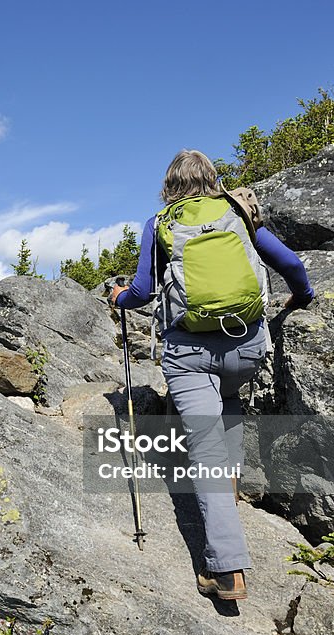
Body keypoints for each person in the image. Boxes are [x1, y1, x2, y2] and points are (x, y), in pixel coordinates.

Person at [110, 149, 314, 600]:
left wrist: (118, 297)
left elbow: (143, 292)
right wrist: (301, 298)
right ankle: (232, 486)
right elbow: (293, 267)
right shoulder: (238, 211)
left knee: (203, 451)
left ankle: (226, 570)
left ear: (170, 185)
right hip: (245, 348)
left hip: (188, 352)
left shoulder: (160, 222)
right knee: (228, 401)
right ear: (212, 178)